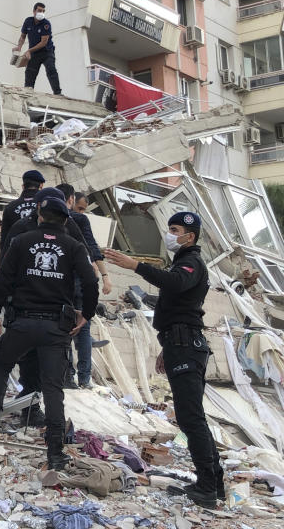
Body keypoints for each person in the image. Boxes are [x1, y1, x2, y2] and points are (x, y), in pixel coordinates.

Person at [104, 212, 224, 508]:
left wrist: (136, 266)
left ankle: (208, 487)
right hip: (179, 343)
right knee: (192, 417)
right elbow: (179, 308)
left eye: (175, 229)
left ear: (190, 236)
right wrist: (166, 347)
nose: (169, 234)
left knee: (190, 418)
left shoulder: (191, 262)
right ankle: (214, 483)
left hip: (185, 345)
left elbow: (175, 283)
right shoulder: (185, 260)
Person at [0, 197, 98, 470]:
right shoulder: (74, 246)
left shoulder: (21, 241)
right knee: (53, 387)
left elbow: (4, 280)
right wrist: (86, 313)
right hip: (55, 327)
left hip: (22, 322)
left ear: (39, 216)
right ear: (66, 220)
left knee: (1, 366)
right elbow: (91, 281)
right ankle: (55, 452)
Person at [56, 184, 112, 388]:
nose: (80, 212)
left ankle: (68, 377)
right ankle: (84, 378)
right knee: (83, 328)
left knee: (65, 327)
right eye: (79, 207)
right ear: (70, 199)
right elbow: (91, 245)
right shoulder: (77, 220)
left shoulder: (49, 220)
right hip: (79, 280)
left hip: (61, 281)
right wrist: (104, 274)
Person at [14, 2, 62, 95]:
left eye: (43, 11)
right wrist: (19, 46)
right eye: (39, 10)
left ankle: (58, 93)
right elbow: (23, 36)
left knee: (51, 69)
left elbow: (43, 42)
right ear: (34, 11)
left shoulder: (46, 24)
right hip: (34, 53)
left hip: (47, 52)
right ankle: (27, 92)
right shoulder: (28, 21)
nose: (41, 13)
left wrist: (28, 50)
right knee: (30, 72)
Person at [0, 169, 46, 255]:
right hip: (39, 252)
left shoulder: (10, 207)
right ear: (41, 185)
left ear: (23, 186)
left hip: (16, 255)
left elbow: (4, 240)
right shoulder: (45, 206)